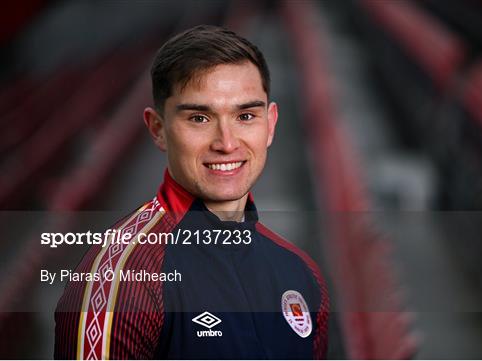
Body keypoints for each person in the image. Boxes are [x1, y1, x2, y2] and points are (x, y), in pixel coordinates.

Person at [54, 25, 329, 359]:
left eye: (245, 116)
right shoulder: (121, 280)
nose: (226, 143)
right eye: (200, 118)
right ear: (157, 129)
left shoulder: (301, 273)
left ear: (270, 124)